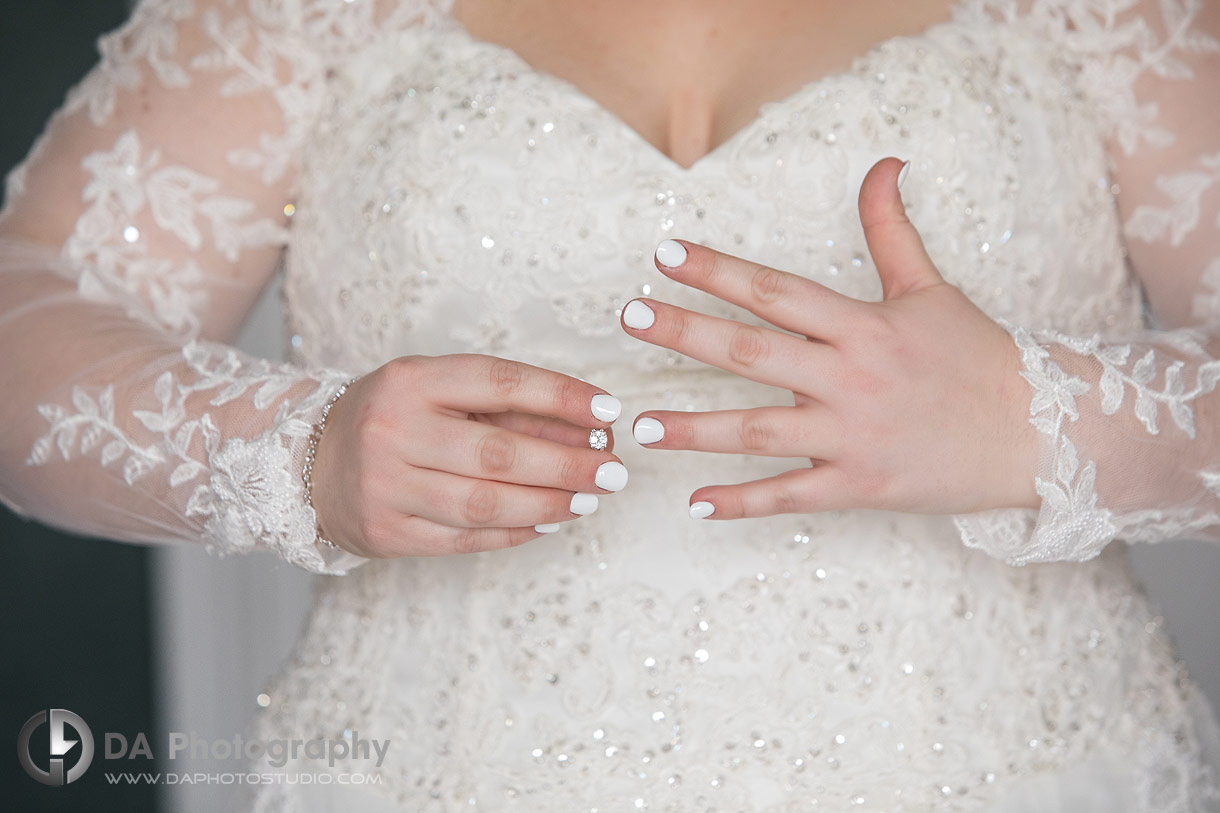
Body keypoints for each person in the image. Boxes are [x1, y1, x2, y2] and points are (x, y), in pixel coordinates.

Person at [1, 0, 1218, 808]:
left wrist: (1037, 418)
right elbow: (28, 318)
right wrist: (296, 457)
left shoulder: (1106, 17)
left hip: (1019, 768)